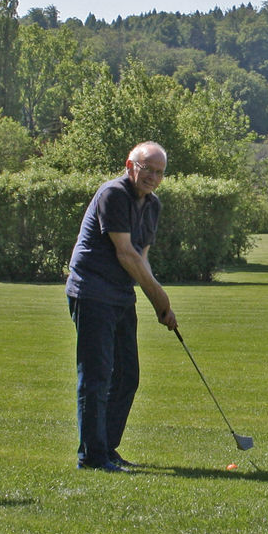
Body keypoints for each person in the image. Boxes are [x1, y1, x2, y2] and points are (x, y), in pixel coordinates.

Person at [67, 142, 176, 472]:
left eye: (159, 172)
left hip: (119, 295)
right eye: (148, 169)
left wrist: (160, 306)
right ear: (131, 165)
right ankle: (92, 456)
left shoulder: (152, 205)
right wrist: (161, 299)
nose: (153, 177)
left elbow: (141, 258)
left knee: (127, 376)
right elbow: (125, 253)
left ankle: (107, 448)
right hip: (91, 291)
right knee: (97, 377)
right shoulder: (113, 194)